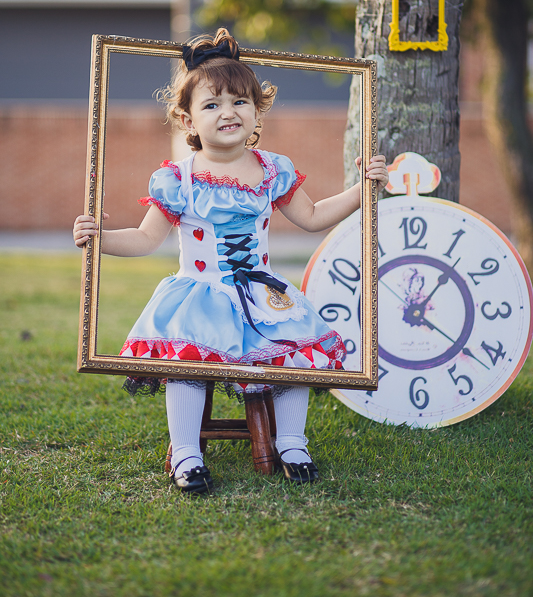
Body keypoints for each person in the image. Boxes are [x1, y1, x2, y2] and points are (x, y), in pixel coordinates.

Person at [73, 28, 389, 495]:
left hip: (260, 292)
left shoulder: (271, 169)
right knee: (188, 360)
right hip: (199, 292)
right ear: (187, 119)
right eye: (212, 104)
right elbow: (145, 239)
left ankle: (293, 443)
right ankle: (186, 453)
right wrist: (99, 238)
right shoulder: (178, 178)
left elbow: (313, 216)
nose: (228, 112)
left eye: (240, 101)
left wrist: (364, 189)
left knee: (292, 350)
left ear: (257, 109)